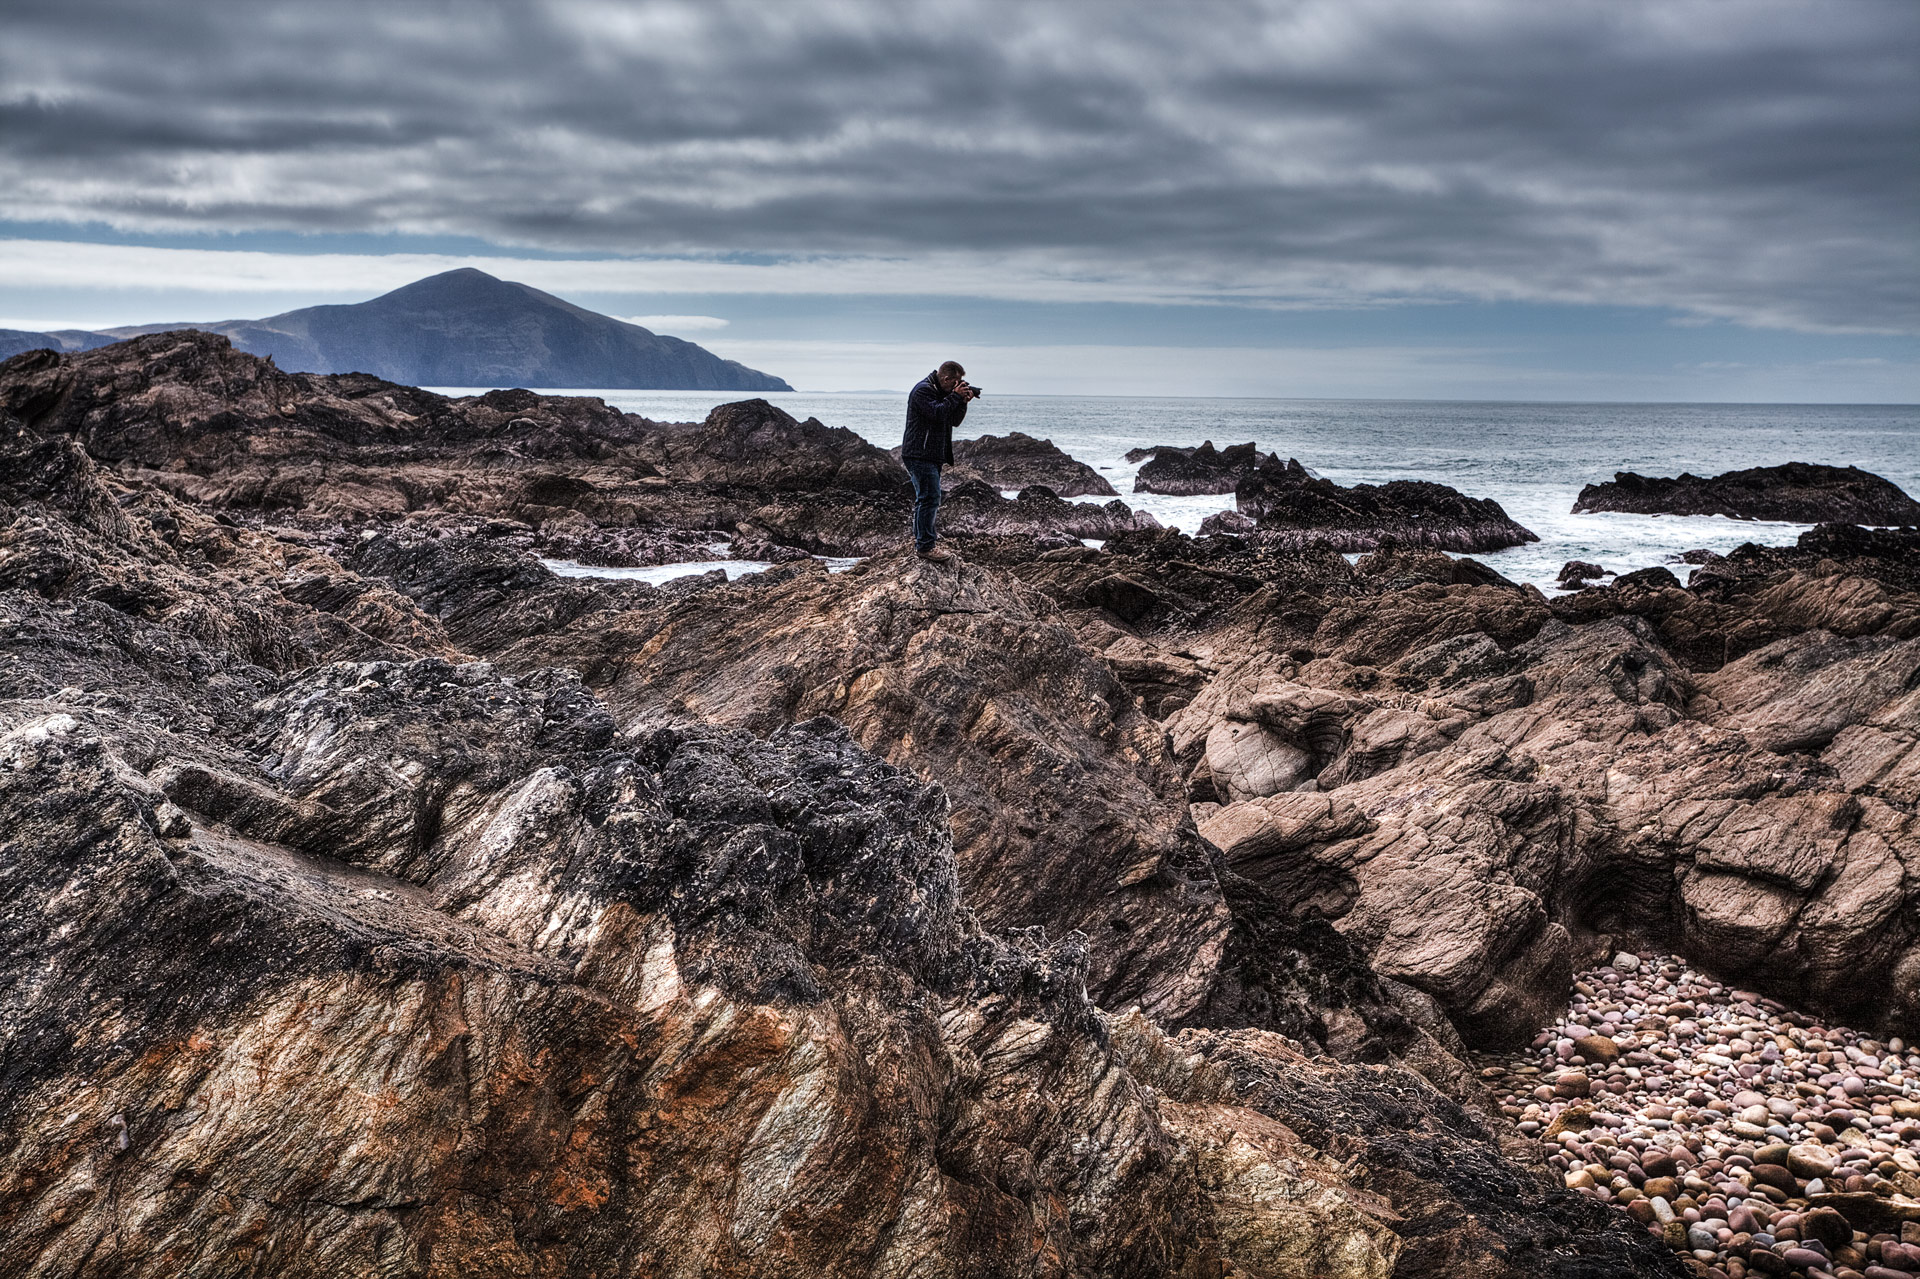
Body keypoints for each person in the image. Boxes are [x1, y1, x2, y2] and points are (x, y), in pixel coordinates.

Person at [900, 360, 977, 561]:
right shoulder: (922, 391)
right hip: (918, 454)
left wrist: (962, 403)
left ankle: (922, 542)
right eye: (956, 382)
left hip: (931, 455)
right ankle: (925, 547)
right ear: (945, 378)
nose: (958, 385)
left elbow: (953, 420)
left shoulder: (943, 393)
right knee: (930, 498)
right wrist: (954, 397)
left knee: (925, 498)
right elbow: (936, 413)